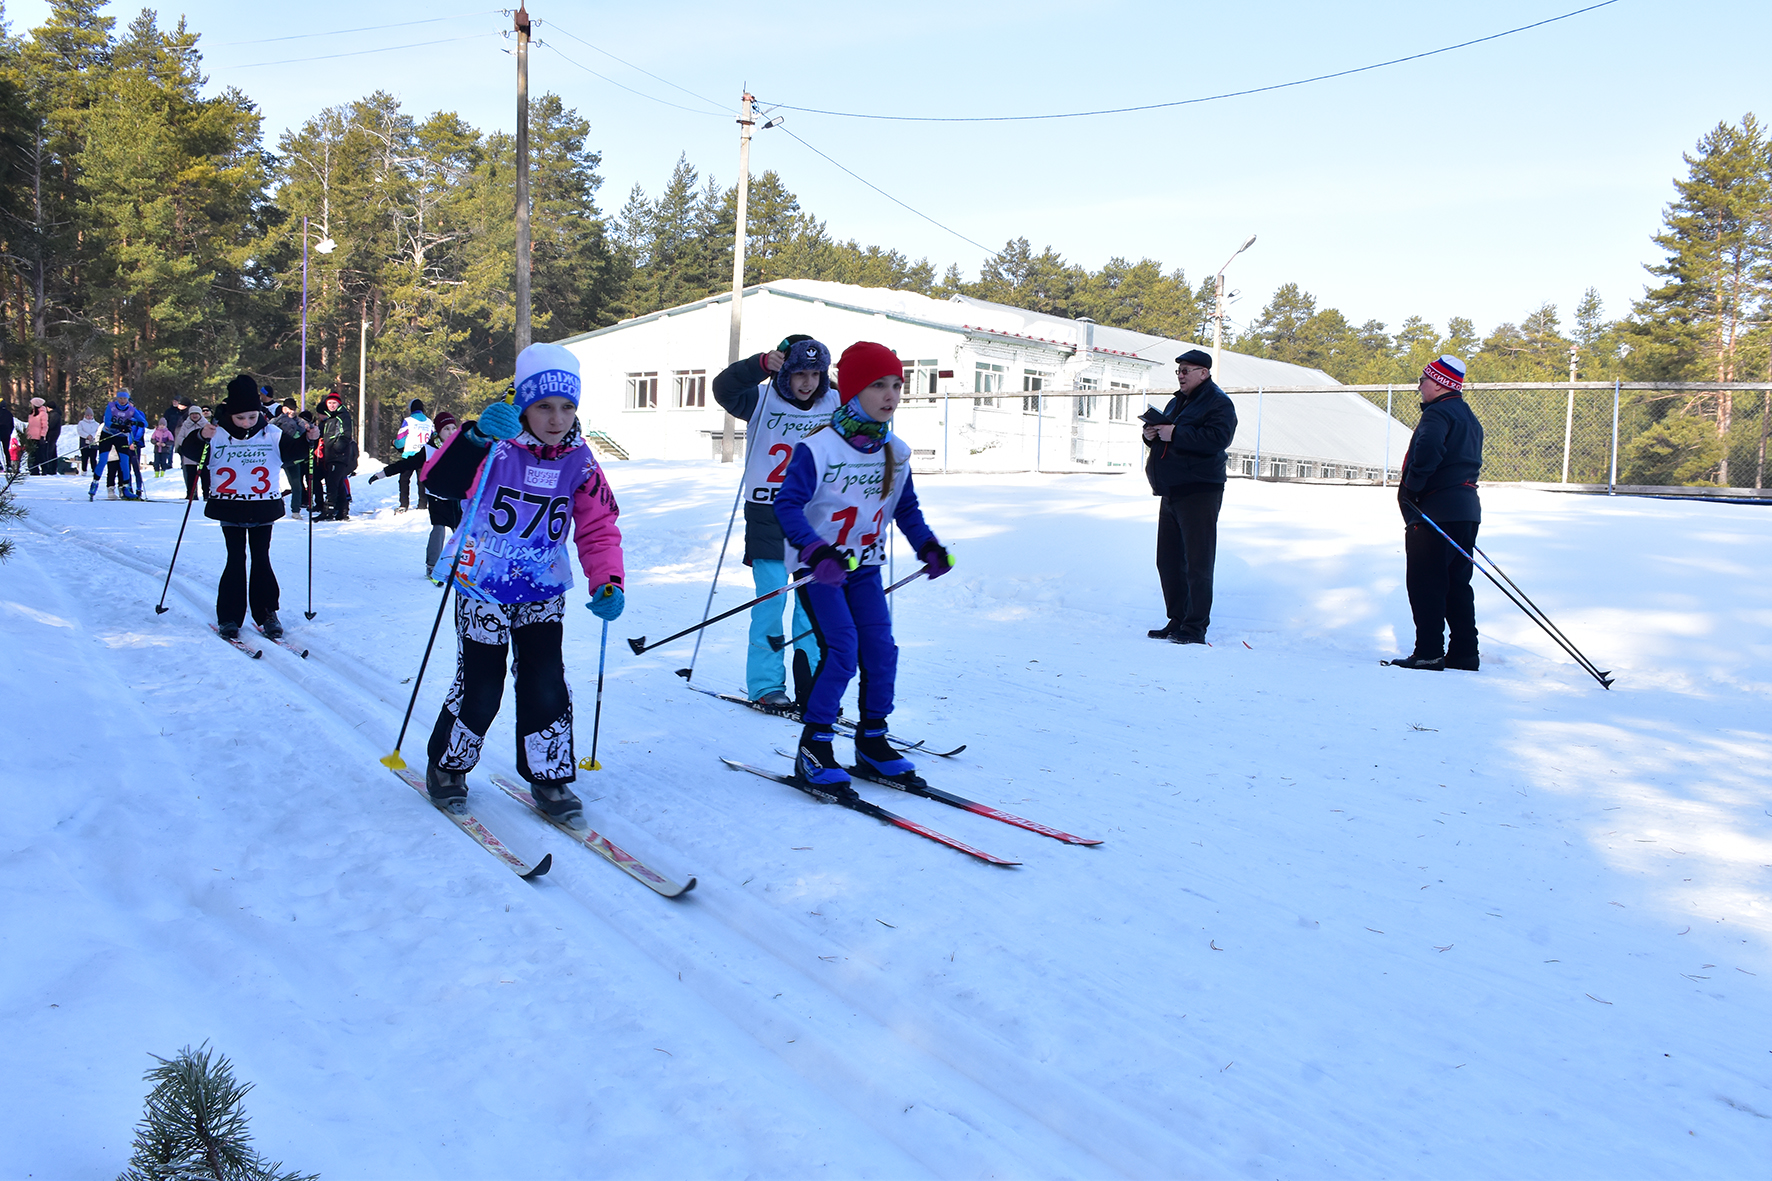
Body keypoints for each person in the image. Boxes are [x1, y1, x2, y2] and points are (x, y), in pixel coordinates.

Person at [417, 343, 625, 826]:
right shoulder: (497, 446)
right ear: (524, 406)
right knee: (481, 684)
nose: (557, 418)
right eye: (544, 406)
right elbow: (439, 484)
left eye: (567, 407)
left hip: (541, 589)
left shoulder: (580, 460)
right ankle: (448, 766)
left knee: (546, 682)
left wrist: (608, 580)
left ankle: (549, 776)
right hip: (482, 586)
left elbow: (598, 526)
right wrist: (474, 439)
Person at [773, 341, 953, 795]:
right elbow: (787, 506)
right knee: (843, 649)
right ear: (853, 391)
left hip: (866, 567)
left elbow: (905, 509)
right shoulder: (818, 449)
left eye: (897, 385)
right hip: (821, 571)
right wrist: (816, 551)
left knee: (880, 650)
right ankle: (814, 746)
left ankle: (872, 740)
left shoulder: (895, 451)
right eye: (878, 385)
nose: (891, 395)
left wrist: (927, 546)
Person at [711, 335, 839, 709]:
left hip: (817, 518)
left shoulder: (834, 401)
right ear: (784, 371)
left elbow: (870, 404)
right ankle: (766, 685)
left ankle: (813, 687)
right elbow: (723, 388)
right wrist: (759, 364)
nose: (808, 383)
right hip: (769, 516)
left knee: (812, 609)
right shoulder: (760, 398)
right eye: (799, 373)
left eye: (815, 374)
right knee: (771, 602)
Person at [178, 374, 317, 639]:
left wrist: (309, 439)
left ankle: (267, 613)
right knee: (235, 558)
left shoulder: (272, 433)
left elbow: (294, 452)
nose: (246, 422)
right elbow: (190, 452)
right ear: (230, 414)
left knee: (261, 558)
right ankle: (229, 616)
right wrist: (200, 436)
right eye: (240, 417)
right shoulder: (216, 433)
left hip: (263, 506)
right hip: (230, 506)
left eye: (252, 417)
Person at [1389, 355, 1483, 672]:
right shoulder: (1468, 416)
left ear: (1441, 384)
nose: (1420, 386)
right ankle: (1465, 653)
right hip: (1466, 510)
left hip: (1434, 511)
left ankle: (1429, 652)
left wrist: (1412, 488)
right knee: (1457, 583)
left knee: (1426, 583)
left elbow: (1428, 448)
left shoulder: (1438, 413)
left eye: (1423, 380)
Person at [1142, 349, 1237, 645]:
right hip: (1171, 490)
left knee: (1197, 562)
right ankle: (1177, 619)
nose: (1181, 376)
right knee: (1168, 561)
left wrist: (1175, 433)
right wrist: (1150, 435)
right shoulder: (1177, 402)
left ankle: (1195, 627)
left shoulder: (1218, 402)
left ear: (1203, 373)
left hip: (1199, 490)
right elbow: (1169, 436)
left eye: (1186, 370)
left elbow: (1218, 439)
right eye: (1178, 371)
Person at [367, 411, 460, 576]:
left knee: (460, 530)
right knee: (439, 528)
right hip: (436, 497)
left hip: (455, 497)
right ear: (438, 431)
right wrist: (382, 473)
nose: (451, 432)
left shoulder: (461, 447)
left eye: (453, 428)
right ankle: (432, 566)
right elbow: (406, 464)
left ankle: (465, 564)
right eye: (446, 429)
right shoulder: (429, 449)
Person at [90, 390, 147, 500]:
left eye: (124, 398)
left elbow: (144, 423)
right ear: (117, 399)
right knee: (103, 460)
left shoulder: (131, 410)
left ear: (128, 399)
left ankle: (126, 488)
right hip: (108, 434)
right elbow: (107, 422)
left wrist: (133, 422)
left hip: (121, 437)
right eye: (120, 398)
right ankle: (94, 484)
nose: (122, 401)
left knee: (125, 462)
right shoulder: (111, 407)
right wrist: (120, 427)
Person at [315, 391, 356, 520]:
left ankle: (329, 510)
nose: (332, 405)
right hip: (331, 455)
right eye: (329, 403)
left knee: (332, 483)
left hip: (338, 455)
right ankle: (342, 511)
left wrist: (337, 447)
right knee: (337, 483)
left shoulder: (342, 416)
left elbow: (345, 434)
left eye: (334, 403)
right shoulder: (331, 417)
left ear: (339, 403)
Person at [393, 398, 433, 512]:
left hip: (409, 455)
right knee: (422, 481)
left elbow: (401, 440)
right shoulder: (429, 422)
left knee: (404, 480)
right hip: (424, 455)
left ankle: (404, 504)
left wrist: (395, 443)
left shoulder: (408, 421)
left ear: (411, 409)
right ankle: (423, 504)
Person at [175, 405, 210, 500]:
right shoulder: (185, 425)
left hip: (202, 453)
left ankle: (206, 494)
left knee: (205, 475)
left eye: (196, 414)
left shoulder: (206, 424)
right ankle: (191, 494)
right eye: (192, 414)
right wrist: (187, 445)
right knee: (190, 475)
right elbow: (180, 437)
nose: (194, 416)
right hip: (189, 454)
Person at [77, 409, 100, 473]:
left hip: (93, 443)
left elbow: (98, 431)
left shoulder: (96, 424)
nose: (89, 417)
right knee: (84, 457)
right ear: (85, 416)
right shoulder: (81, 423)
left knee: (93, 457)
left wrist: (92, 436)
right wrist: (87, 436)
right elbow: (80, 431)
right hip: (84, 442)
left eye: (91, 415)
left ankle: (94, 471)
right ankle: (84, 470)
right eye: (88, 415)